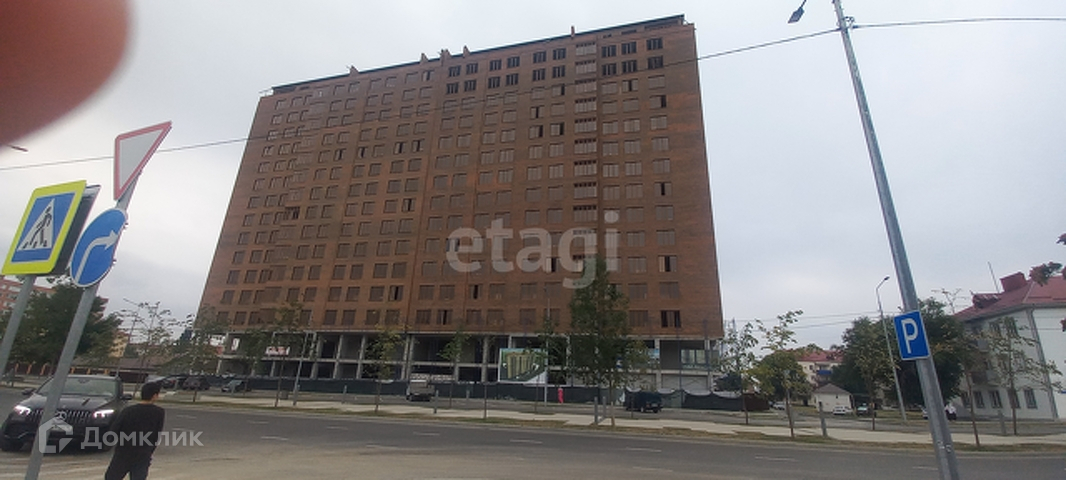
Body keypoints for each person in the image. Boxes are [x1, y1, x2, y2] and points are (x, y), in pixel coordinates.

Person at [105, 382, 166, 480]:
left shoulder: (128, 410)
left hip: (123, 452)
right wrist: (149, 451)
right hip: (143, 453)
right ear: (154, 396)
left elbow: (115, 429)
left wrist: (108, 443)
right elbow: (156, 434)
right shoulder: (159, 412)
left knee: (112, 477)